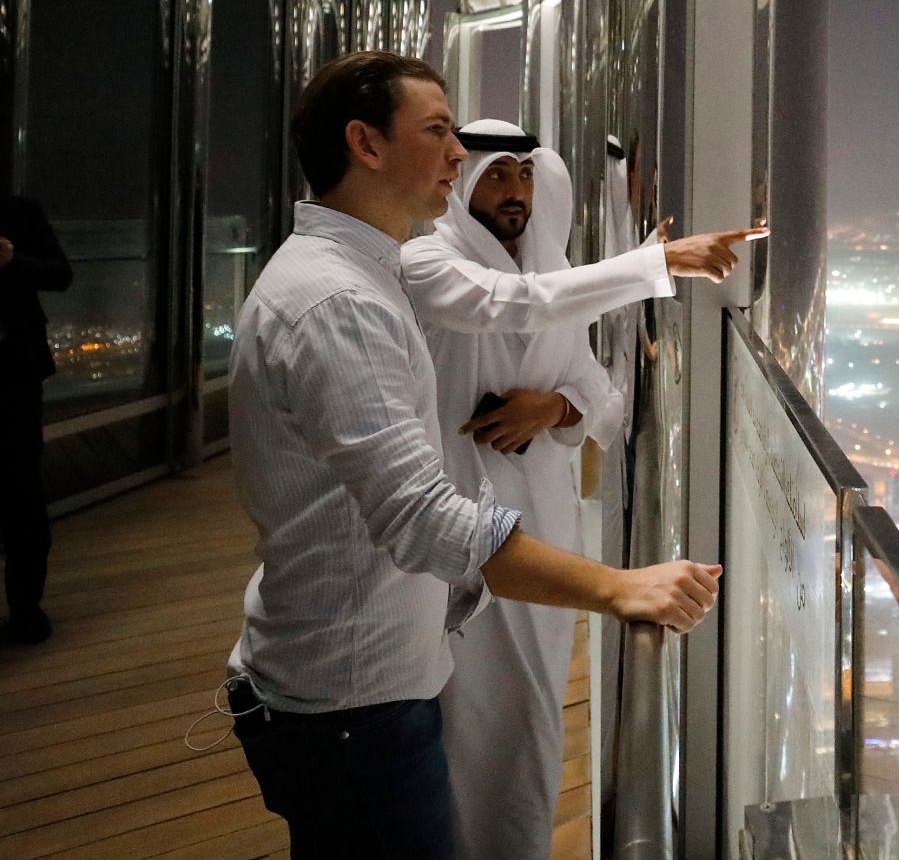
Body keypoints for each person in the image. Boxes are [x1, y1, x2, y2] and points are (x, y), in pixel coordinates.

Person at [224, 52, 721, 860]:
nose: (458, 156)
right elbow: (420, 514)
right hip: (358, 695)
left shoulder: (361, 274)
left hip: (389, 651)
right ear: (366, 144)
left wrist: (555, 405)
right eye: (438, 131)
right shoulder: (345, 301)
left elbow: (590, 385)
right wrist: (620, 586)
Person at [401, 118, 762, 860]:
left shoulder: (548, 265)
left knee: (531, 716)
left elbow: (598, 388)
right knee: (464, 718)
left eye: (526, 176)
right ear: (464, 180)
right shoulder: (429, 261)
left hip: (546, 525)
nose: (514, 193)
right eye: (497, 175)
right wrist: (656, 261)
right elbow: (517, 302)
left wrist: (553, 406)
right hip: (454, 529)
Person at [0, 192, 72, 646]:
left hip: (13, 372)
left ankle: (26, 607)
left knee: (23, 492)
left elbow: (60, 273)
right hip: (17, 369)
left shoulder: (19, 210)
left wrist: (12, 258)